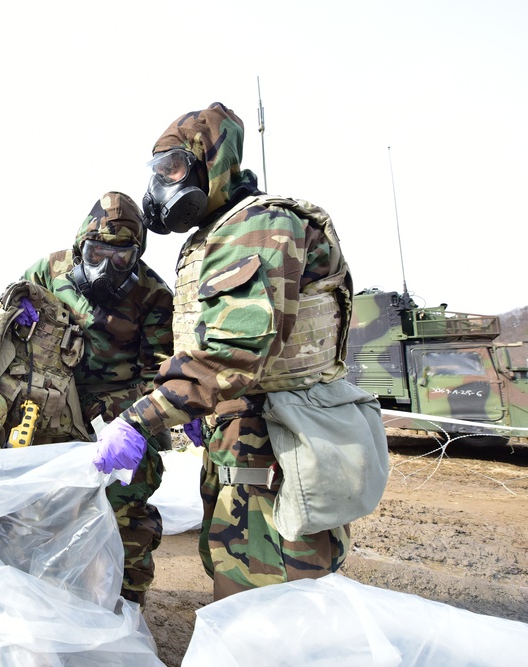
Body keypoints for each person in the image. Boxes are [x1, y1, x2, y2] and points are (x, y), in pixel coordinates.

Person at [93, 103, 356, 601]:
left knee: (274, 606)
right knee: (242, 590)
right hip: (247, 442)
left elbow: (231, 355)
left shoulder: (258, 227)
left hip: (279, 448)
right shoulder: (218, 233)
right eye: (157, 172)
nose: (161, 185)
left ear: (210, 164)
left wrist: (139, 419)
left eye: (171, 168)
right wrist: (202, 407)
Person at [22, 191, 174, 607]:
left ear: (137, 255)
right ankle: (50, 597)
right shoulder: (51, 268)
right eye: (97, 252)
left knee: (126, 509)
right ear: (79, 248)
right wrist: (17, 311)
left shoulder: (153, 295)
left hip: (121, 414)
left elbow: (161, 374)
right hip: (54, 401)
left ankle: (126, 601)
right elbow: (14, 306)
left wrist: (130, 421)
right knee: (47, 507)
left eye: (121, 257)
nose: (107, 266)